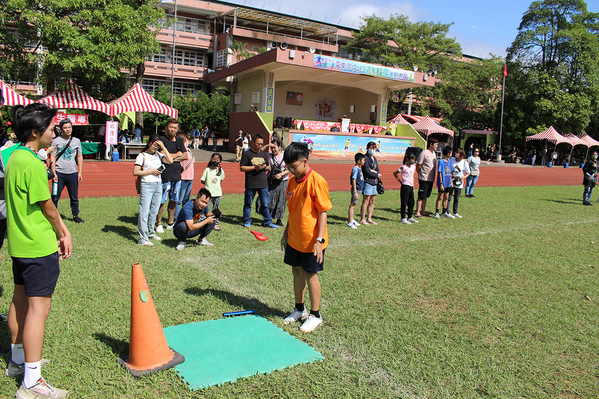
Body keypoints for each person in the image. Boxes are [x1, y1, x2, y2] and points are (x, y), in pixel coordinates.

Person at [5, 103, 73, 398]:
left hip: (19, 245)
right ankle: (31, 382)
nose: (54, 133)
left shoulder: (14, 157)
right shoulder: (33, 164)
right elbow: (47, 206)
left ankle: (18, 362)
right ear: (35, 132)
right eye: (50, 128)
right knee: (38, 310)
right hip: (37, 246)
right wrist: (64, 232)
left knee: (20, 299)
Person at [281, 142, 332, 333]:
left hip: (312, 241)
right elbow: (293, 210)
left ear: (305, 161)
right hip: (295, 238)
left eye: (294, 167)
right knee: (296, 271)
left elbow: (323, 212)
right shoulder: (292, 181)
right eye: (288, 167)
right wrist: (286, 232)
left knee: (311, 275)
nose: (291, 171)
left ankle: (315, 314)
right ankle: (299, 309)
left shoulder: (317, 181)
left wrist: (319, 241)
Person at [133, 135, 173, 246]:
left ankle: (150, 232)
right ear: (149, 143)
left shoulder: (159, 155)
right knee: (144, 211)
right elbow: (135, 171)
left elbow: (170, 160)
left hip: (158, 184)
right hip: (147, 184)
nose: (155, 147)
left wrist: (163, 147)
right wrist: (152, 171)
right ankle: (142, 238)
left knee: (154, 210)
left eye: (157, 145)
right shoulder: (142, 156)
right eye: (154, 144)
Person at [155, 119, 187, 233]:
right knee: (161, 200)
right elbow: (161, 156)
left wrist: (169, 157)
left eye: (175, 127)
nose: (172, 129)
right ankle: (158, 223)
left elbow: (185, 156)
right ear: (165, 128)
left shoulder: (179, 140)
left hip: (177, 175)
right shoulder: (161, 140)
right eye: (170, 127)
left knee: (174, 200)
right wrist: (176, 155)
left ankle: (170, 222)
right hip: (164, 175)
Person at [240, 134, 278, 229]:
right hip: (251, 183)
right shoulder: (247, 154)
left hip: (263, 183)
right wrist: (254, 167)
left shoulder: (264, 154)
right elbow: (242, 168)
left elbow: (268, 167)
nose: (260, 146)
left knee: (265, 203)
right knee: (248, 203)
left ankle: (268, 222)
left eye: (261, 144)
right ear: (252, 142)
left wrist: (264, 167)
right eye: (258, 144)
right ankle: (247, 221)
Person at [50, 118, 85, 223]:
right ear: (61, 129)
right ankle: (53, 215)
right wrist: (53, 173)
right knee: (55, 196)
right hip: (59, 173)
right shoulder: (56, 141)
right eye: (65, 128)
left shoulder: (76, 141)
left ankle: (75, 215)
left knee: (74, 196)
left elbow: (79, 156)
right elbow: (52, 157)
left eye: (69, 127)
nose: (67, 130)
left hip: (72, 173)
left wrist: (80, 172)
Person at [265, 138, 289, 226]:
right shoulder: (269, 155)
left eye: (275, 147)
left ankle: (279, 219)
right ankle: (269, 217)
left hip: (282, 181)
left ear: (279, 147)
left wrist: (282, 174)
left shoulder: (285, 156)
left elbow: (290, 168)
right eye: (272, 148)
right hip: (271, 180)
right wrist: (268, 145)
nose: (273, 150)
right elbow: (259, 152)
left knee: (281, 200)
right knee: (270, 199)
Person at [415, 138, 438, 218]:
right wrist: (420, 174)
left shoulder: (433, 153)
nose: (437, 146)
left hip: (430, 179)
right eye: (436, 145)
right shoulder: (424, 153)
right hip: (424, 178)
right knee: (421, 195)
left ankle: (423, 211)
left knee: (426, 195)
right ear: (431, 144)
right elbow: (418, 165)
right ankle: (417, 212)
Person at [359, 141, 382, 225]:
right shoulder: (365, 158)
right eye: (370, 148)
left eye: (374, 148)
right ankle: (362, 219)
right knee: (366, 200)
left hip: (374, 182)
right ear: (367, 148)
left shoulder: (374, 158)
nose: (372, 150)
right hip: (368, 181)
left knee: (372, 201)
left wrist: (376, 173)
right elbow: (367, 171)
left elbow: (377, 169)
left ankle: (369, 218)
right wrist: (376, 174)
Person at [201, 153, 225, 231]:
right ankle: (204, 222)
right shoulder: (207, 170)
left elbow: (221, 180)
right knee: (206, 208)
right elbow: (202, 180)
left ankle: (215, 223)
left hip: (217, 193)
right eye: (214, 159)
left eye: (217, 160)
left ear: (220, 161)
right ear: (211, 160)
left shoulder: (221, 171)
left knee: (216, 209)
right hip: (208, 194)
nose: (215, 161)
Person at [393, 153, 418, 224]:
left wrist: (413, 187)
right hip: (405, 186)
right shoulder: (403, 167)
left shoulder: (413, 167)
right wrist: (400, 181)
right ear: (407, 160)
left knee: (412, 202)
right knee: (404, 202)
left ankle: (410, 217)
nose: (412, 161)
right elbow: (395, 173)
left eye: (414, 160)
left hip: (411, 186)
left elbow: (412, 177)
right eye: (411, 160)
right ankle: (403, 218)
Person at [448, 148, 470, 218]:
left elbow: (468, 172)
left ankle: (455, 212)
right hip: (451, 180)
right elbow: (448, 170)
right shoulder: (451, 160)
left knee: (456, 198)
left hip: (459, 181)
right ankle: (447, 211)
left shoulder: (464, 162)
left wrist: (464, 177)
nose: (456, 154)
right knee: (449, 196)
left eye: (458, 153)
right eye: (456, 152)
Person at [434, 146, 454, 219]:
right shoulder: (441, 161)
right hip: (443, 182)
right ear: (448, 153)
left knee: (446, 196)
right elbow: (440, 172)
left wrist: (451, 181)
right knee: (440, 197)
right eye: (451, 152)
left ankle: (444, 212)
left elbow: (450, 172)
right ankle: (437, 212)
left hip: (448, 182)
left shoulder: (449, 161)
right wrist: (441, 183)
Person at [347, 152, 365, 229]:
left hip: (359, 189)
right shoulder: (355, 169)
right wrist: (355, 192)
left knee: (354, 205)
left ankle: (352, 219)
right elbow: (354, 180)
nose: (364, 162)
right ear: (359, 161)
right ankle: (350, 222)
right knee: (352, 205)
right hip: (356, 189)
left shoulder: (359, 168)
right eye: (363, 160)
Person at [177, 131, 195, 209]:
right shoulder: (180, 152)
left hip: (190, 178)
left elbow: (193, 160)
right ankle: (176, 217)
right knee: (179, 200)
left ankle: (184, 215)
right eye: (186, 140)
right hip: (183, 178)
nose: (188, 141)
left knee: (186, 199)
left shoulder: (187, 151)